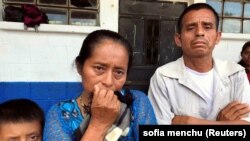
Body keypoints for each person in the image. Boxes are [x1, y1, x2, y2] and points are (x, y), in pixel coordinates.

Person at [43, 29, 157, 141]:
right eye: (99, 68)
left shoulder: (137, 102)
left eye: (118, 72)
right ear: (79, 67)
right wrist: (99, 124)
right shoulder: (59, 114)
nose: (108, 82)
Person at [148, 3, 250, 125]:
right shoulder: (163, 77)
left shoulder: (235, 73)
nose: (200, 33)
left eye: (207, 27)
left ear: (217, 37)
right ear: (178, 39)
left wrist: (188, 121)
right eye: (190, 28)